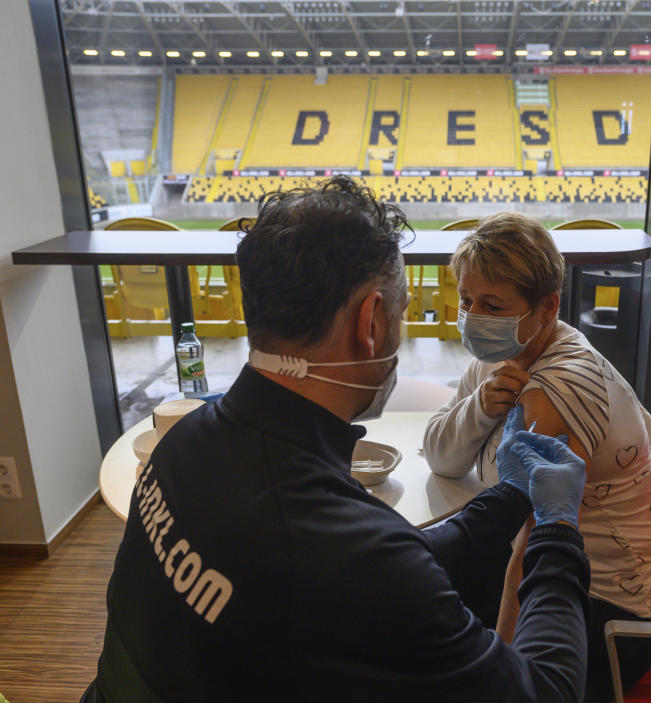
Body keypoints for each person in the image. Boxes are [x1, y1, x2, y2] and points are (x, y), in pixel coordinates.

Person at [82, 178, 592, 703]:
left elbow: (386, 560)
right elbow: (547, 693)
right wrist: (556, 535)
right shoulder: (336, 546)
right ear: (371, 322)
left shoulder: (186, 444)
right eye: (401, 311)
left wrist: (508, 497)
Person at [423, 212, 651, 702]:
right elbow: (441, 454)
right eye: (466, 300)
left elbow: (532, 545)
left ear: (547, 308)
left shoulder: (557, 386)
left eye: (492, 304)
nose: (473, 316)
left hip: (604, 609)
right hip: (559, 575)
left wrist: (504, 675)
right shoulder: (504, 355)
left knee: (427, 649)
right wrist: (479, 408)